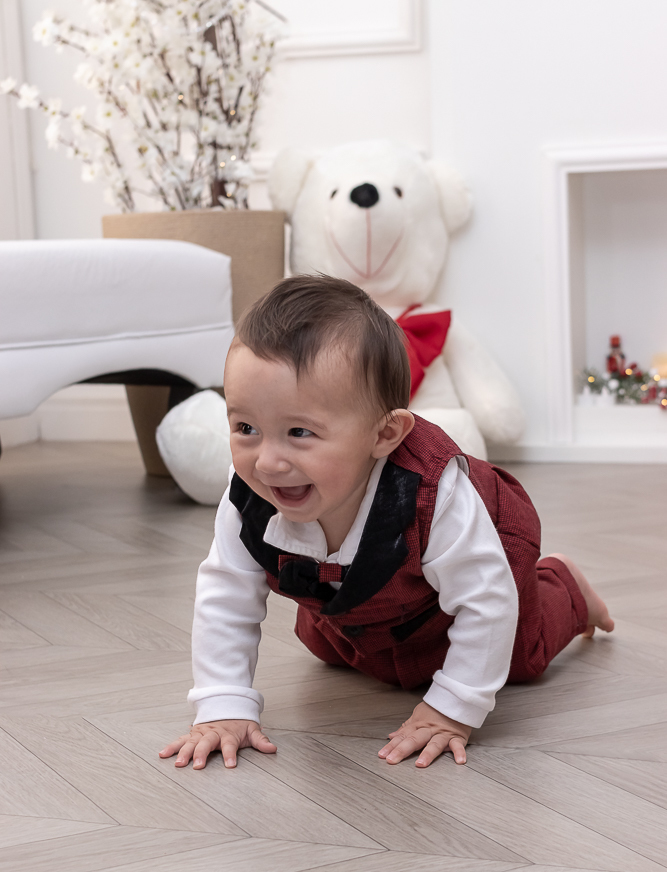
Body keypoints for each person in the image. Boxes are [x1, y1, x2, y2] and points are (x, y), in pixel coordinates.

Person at [159, 275, 614, 772]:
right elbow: (226, 591)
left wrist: (451, 710)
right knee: (327, 644)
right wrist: (222, 703)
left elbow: (487, 602)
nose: (267, 462)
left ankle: (563, 588)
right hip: (360, 591)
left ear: (385, 433)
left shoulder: (431, 494)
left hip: (488, 553)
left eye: (299, 432)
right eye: (245, 428)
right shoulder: (250, 493)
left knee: (517, 653)